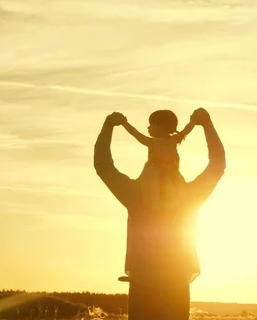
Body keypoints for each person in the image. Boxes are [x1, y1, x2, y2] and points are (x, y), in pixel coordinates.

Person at [93, 108, 226, 320]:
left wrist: (108, 126)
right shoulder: (188, 198)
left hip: (143, 281)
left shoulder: (135, 196)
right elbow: (217, 165)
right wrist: (206, 125)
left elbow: (103, 166)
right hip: (176, 281)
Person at [121, 110, 195, 213]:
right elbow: (186, 130)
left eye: (151, 124)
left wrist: (124, 123)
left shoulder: (154, 142)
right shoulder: (169, 141)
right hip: (156, 178)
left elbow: (135, 134)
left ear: (161, 126)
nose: (148, 127)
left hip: (168, 178)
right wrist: (125, 123)